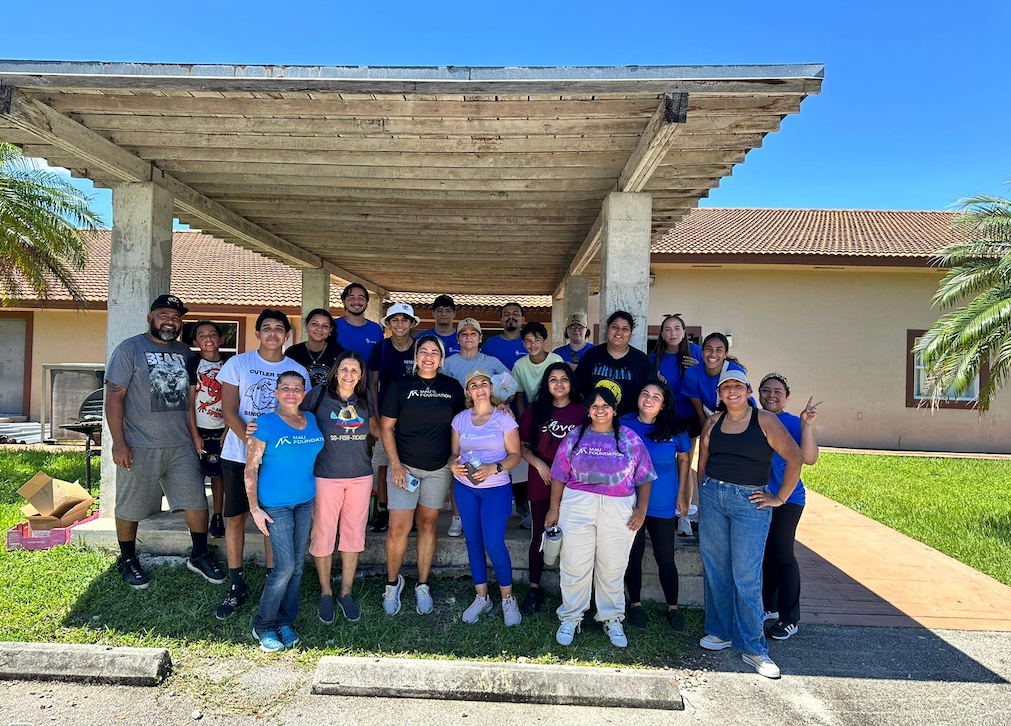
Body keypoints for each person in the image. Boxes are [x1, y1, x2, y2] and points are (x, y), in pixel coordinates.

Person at [105, 294, 225, 590]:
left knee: (196, 502)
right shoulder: (130, 349)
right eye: (164, 315)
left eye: (176, 317)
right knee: (130, 504)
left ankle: (198, 555)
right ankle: (127, 558)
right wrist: (118, 442)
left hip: (182, 444)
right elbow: (114, 397)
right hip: (139, 443)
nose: (170, 322)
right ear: (150, 318)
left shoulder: (185, 352)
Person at [697, 369, 803, 680]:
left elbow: (795, 458)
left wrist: (780, 498)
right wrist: (701, 494)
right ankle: (720, 631)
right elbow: (702, 460)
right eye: (726, 387)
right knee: (716, 567)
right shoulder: (713, 422)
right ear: (719, 393)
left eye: (737, 386)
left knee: (746, 574)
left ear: (746, 390)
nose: (732, 392)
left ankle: (755, 648)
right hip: (714, 496)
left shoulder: (765, 421)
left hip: (750, 503)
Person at [216, 310, 310, 620]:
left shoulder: (297, 370)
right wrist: (254, 446)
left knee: (272, 520)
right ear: (257, 333)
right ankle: (236, 582)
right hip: (238, 454)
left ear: (287, 336)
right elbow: (229, 410)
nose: (273, 333)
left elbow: (299, 417)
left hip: (278, 461)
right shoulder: (239, 364)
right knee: (237, 518)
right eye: (266, 328)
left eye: (279, 329)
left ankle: (274, 579)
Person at [547, 380, 655, 648]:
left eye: (605, 405)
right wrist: (554, 508)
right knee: (574, 563)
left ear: (615, 409)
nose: (600, 410)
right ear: (587, 410)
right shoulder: (575, 436)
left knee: (613, 565)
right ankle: (571, 617)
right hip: (577, 504)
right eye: (594, 406)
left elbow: (645, 477)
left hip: (618, 508)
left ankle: (612, 618)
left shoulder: (630, 438)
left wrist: (641, 509)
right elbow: (559, 474)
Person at [380, 335, 465, 616]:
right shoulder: (401, 385)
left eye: (434, 352)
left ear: (442, 358)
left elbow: (464, 423)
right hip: (405, 467)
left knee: (428, 524)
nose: (429, 356)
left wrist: (499, 405)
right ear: (416, 357)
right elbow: (386, 428)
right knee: (398, 527)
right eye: (424, 352)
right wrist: (395, 464)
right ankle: (393, 584)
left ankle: (422, 584)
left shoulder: (452, 387)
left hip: (438, 469)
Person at [245, 371, 324, 652]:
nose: (292, 393)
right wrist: (254, 508)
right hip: (275, 504)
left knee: (299, 566)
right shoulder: (263, 424)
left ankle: (285, 620)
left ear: (304, 393)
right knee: (285, 566)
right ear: (276, 393)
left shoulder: (311, 419)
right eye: (286, 388)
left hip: (305, 500)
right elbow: (251, 468)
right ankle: (264, 624)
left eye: (297, 388)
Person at [449, 370, 523, 626]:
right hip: (465, 488)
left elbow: (516, 455)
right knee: (474, 543)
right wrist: (452, 466)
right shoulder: (460, 419)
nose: (479, 389)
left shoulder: (503, 418)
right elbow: (454, 454)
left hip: (496, 489)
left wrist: (495, 467)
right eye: (473, 385)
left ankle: (507, 597)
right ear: (467, 392)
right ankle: (482, 597)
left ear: (490, 389)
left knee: (493, 542)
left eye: (484, 384)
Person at [621, 380, 692, 631]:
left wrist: (683, 493)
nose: (649, 399)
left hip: (663, 502)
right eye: (645, 393)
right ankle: (636, 605)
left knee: (666, 557)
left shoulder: (674, 428)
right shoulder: (623, 423)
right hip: (631, 502)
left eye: (656, 397)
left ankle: (673, 608)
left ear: (663, 405)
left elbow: (684, 459)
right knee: (634, 555)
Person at [517, 362, 584, 614]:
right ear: (546, 383)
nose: (558, 384)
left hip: (574, 485)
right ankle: (534, 587)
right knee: (539, 536)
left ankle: (572, 591)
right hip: (540, 480)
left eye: (564, 379)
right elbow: (521, 446)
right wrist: (538, 464)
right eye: (553, 379)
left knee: (574, 539)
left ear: (571, 383)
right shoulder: (535, 410)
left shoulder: (581, 411)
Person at [758, 373, 821, 641]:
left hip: (789, 499)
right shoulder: (754, 419)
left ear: (786, 397)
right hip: (760, 499)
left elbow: (809, 458)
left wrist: (806, 425)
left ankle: (789, 618)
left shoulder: (792, 423)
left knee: (783, 554)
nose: (772, 395)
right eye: (766, 390)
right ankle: (769, 607)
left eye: (778, 391)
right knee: (766, 554)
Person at [439, 317, 516, 537]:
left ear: (480, 338)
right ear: (458, 338)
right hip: (456, 423)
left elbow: (511, 386)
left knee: (483, 469)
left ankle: (482, 516)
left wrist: (501, 403)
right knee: (459, 469)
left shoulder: (491, 361)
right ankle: (457, 517)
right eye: (464, 333)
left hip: (485, 424)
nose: (469, 337)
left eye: (474, 333)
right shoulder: (449, 363)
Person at [367, 302, 420, 533]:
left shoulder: (420, 348)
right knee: (382, 463)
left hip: (414, 415)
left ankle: (413, 512)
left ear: (411, 324)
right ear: (388, 324)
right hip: (387, 416)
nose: (400, 324)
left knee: (413, 463)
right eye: (395, 320)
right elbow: (372, 383)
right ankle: (382, 511)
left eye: (404, 319)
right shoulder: (381, 348)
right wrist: (376, 417)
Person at [650, 314, 703, 536]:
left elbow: (709, 381)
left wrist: (699, 368)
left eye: (677, 328)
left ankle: (683, 515)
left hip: (689, 417)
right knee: (660, 464)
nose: (673, 333)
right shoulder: (654, 358)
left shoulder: (696, 354)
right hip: (664, 416)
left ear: (684, 332)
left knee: (685, 464)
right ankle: (657, 510)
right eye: (668, 329)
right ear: (662, 334)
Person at [186, 320, 231, 540]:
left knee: (219, 474)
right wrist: (195, 435)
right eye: (202, 335)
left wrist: (229, 429)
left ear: (221, 339)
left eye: (213, 334)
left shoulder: (230, 365)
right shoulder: (194, 364)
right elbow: (190, 403)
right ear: (195, 342)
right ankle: (198, 516)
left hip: (223, 428)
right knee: (196, 474)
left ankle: (217, 515)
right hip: (200, 428)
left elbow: (235, 400)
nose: (208, 338)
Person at [573, 311, 653, 417]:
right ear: (607, 329)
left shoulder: (641, 360)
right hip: (595, 422)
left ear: (631, 333)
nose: (619, 332)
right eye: (615, 327)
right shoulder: (592, 355)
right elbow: (577, 389)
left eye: (625, 329)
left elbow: (651, 392)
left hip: (629, 423)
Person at [682, 332, 747, 431]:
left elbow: (741, 407)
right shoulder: (692, 374)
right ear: (702, 352)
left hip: (737, 416)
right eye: (709, 349)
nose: (713, 354)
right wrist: (710, 433)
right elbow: (699, 412)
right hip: (711, 416)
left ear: (725, 354)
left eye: (719, 350)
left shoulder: (735, 372)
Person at [284, 308, 345, 388]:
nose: (319, 329)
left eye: (325, 326)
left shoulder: (339, 354)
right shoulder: (293, 353)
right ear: (306, 325)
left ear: (330, 329)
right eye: (314, 324)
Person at [512, 321, 563, 416]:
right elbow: (519, 396)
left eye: (537, 340)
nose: (533, 345)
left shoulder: (555, 360)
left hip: (556, 411)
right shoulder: (519, 365)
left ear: (545, 341)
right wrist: (524, 419)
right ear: (523, 343)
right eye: (528, 341)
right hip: (533, 412)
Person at [334, 283, 383, 361]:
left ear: (366, 302)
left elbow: (380, 360)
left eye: (361, 298)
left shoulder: (376, 329)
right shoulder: (333, 326)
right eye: (351, 297)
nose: (356, 301)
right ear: (343, 301)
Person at [481, 302, 527, 370]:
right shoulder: (490, 344)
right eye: (506, 314)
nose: (511, 317)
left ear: (523, 319)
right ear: (501, 320)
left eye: (515, 314)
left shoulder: (529, 343)